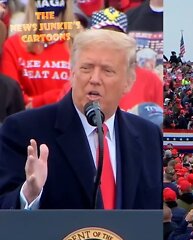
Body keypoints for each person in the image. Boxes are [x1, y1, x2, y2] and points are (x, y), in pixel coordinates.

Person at [0, 29, 163, 209]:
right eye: (86, 68)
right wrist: (28, 194)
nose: (94, 79)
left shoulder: (149, 135)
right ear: (72, 73)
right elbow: (4, 209)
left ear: (128, 82)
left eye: (107, 71)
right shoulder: (24, 129)